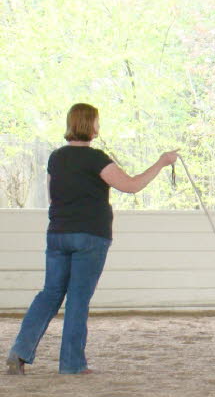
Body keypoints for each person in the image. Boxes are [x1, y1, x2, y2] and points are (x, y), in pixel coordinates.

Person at [6, 103, 178, 375]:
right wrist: (161, 162)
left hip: (58, 234)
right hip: (90, 236)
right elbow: (131, 186)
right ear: (91, 126)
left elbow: (54, 197)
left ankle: (20, 351)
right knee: (77, 298)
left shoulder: (56, 158)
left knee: (50, 293)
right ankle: (72, 364)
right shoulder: (97, 159)